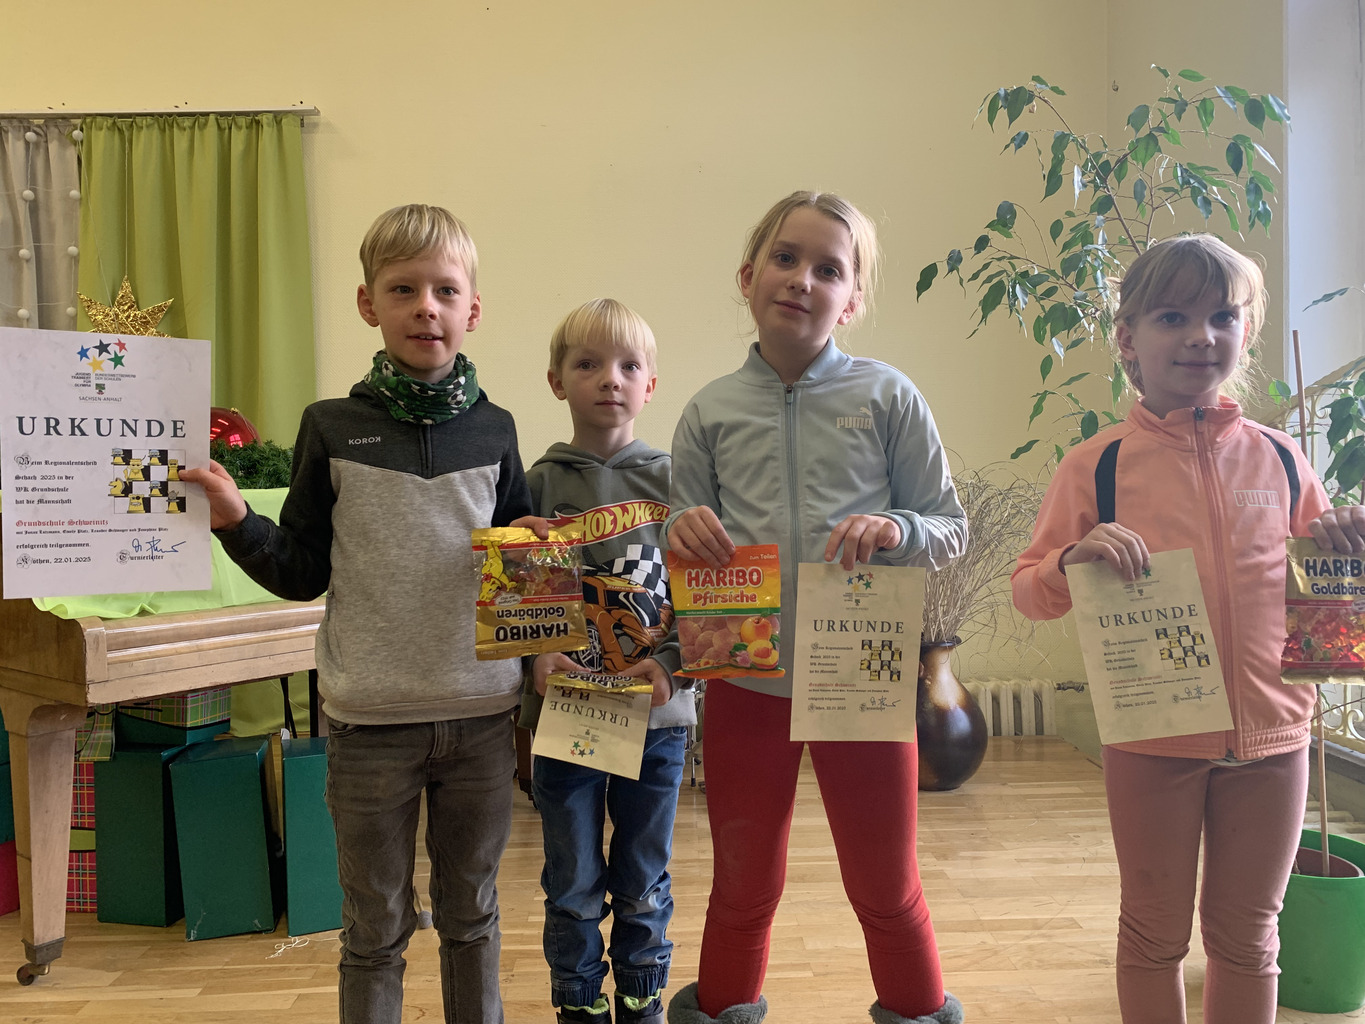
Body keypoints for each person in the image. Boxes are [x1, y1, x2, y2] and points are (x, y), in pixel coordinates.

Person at [181, 204, 532, 1024]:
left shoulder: (498, 431)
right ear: (368, 303)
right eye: (403, 288)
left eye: (445, 290)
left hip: (483, 720)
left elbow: (520, 580)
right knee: (372, 929)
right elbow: (301, 571)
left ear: (471, 310)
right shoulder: (330, 428)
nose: (425, 307)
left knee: (472, 918)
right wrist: (237, 519)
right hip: (369, 725)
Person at [1011, 233, 1365, 1024]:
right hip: (1151, 742)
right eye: (1173, 315)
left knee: (1248, 937)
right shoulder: (1095, 467)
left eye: (1221, 315)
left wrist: (1342, 538)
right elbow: (1029, 593)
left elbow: (1319, 597)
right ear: (1128, 339)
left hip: (1274, 743)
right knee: (1152, 935)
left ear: (1245, 331)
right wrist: (1070, 558)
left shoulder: (1281, 460)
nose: (1200, 334)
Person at [661, 191, 968, 1024]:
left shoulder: (886, 396)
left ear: (853, 298)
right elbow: (675, 547)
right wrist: (677, 527)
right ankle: (725, 1005)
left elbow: (948, 526)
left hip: (860, 682)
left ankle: (916, 1007)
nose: (801, 279)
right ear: (747, 274)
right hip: (745, 684)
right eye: (786, 258)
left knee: (885, 885)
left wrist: (896, 526)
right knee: (741, 886)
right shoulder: (708, 412)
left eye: (829, 268)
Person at [518, 298, 696, 1024]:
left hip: (656, 720)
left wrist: (675, 663)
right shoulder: (532, 484)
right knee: (572, 880)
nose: (608, 379)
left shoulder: (678, 483)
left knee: (642, 875)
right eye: (586, 364)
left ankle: (641, 999)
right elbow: (511, 601)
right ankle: (577, 1007)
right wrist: (537, 648)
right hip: (566, 719)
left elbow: (704, 592)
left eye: (627, 366)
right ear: (556, 380)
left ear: (650, 384)